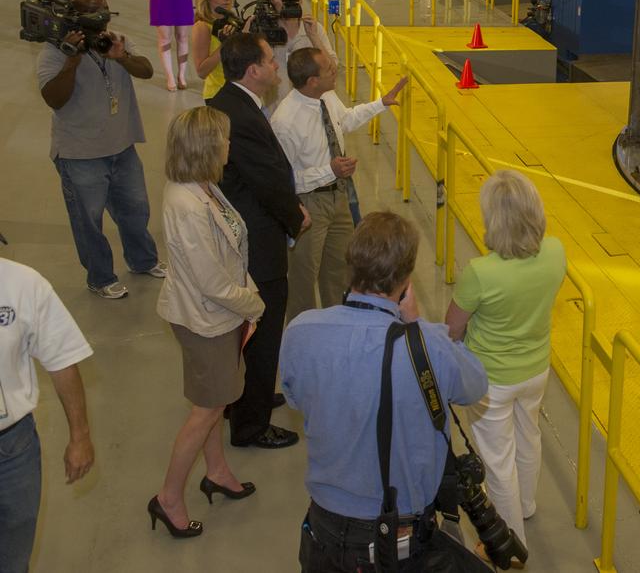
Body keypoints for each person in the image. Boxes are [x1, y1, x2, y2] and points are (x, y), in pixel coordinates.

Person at [281, 212, 488, 572]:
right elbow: (475, 386)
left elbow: (298, 399)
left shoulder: (301, 332)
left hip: (324, 530)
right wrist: (416, 322)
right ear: (406, 282)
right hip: (399, 539)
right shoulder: (429, 346)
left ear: (351, 266)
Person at [149, 107, 266, 540]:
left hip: (220, 313)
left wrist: (245, 293)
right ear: (205, 147)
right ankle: (168, 498)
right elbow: (211, 280)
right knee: (206, 410)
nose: (229, 145)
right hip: (207, 320)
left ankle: (215, 471)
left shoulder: (204, 185)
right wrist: (253, 304)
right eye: (224, 139)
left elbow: (229, 254)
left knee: (215, 401)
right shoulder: (185, 202)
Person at [446, 170, 566, 560]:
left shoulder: (481, 273)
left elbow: (451, 329)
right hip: (536, 369)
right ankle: (527, 505)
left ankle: (511, 547)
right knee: (528, 434)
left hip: (491, 381)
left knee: (497, 463)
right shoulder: (556, 252)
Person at [208, 33, 310, 449]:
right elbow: (268, 180)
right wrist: (294, 217)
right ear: (252, 70)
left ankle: (247, 396)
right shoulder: (244, 118)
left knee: (246, 329)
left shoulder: (225, 104)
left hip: (239, 233)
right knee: (264, 330)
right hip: (258, 241)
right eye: (270, 61)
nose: (275, 66)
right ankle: (252, 423)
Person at [36, 0, 165, 300]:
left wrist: (121, 58)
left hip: (122, 147)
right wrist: (71, 62)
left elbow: (146, 70)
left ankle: (143, 260)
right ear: (76, 16)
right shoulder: (54, 50)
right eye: (93, 10)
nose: (101, 16)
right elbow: (53, 98)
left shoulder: (115, 39)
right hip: (80, 154)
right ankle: (100, 277)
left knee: (136, 210)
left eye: (104, 8)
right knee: (88, 222)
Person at [272, 48, 407, 321]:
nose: (336, 69)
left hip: (339, 197)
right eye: (328, 69)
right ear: (312, 81)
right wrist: (328, 170)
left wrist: (381, 103)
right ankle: (304, 333)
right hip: (309, 205)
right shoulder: (285, 122)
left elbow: (344, 120)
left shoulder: (326, 97)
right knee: (304, 277)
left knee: (339, 270)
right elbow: (285, 179)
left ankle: (338, 323)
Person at [0, 258, 95, 573]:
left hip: (12, 448)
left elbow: (62, 359)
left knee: (14, 553)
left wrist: (80, 436)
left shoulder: (23, 284)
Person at [265, 0, 336, 111]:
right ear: (270, 1)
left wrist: (314, 37)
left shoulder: (314, 28)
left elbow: (332, 70)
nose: (288, 0)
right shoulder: (265, 31)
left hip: (312, 111)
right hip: (275, 111)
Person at [190, 0, 240, 102]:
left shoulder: (232, 23)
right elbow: (201, 71)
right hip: (218, 94)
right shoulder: (202, 27)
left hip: (239, 91)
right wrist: (225, 45)